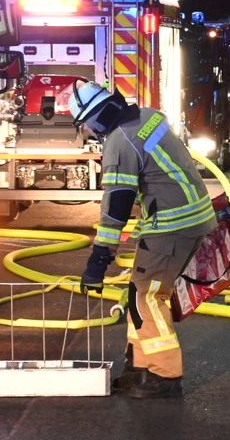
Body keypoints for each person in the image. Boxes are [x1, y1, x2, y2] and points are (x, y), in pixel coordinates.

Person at [72, 81, 218, 399]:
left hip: (172, 226)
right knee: (137, 293)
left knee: (147, 298)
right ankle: (140, 367)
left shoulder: (118, 144)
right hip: (191, 216)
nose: (86, 131)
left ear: (94, 118)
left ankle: (165, 375)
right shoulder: (148, 116)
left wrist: (98, 263)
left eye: (84, 124)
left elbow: (116, 210)